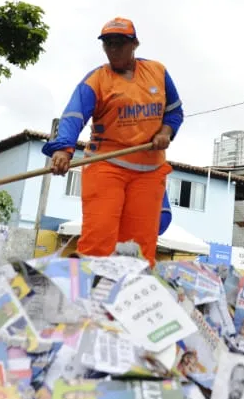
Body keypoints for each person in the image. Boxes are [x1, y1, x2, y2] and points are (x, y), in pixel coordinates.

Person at [45, 18, 184, 266]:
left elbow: (174, 113)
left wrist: (165, 132)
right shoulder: (96, 80)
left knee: (138, 251)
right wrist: (63, 150)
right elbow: (73, 115)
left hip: (149, 172)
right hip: (106, 167)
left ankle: (131, 301)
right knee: (98, 242)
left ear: (135, 44)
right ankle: (87, 297)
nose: (114, 49)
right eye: (108, 44)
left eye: (120, 43)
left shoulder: (158, 73)